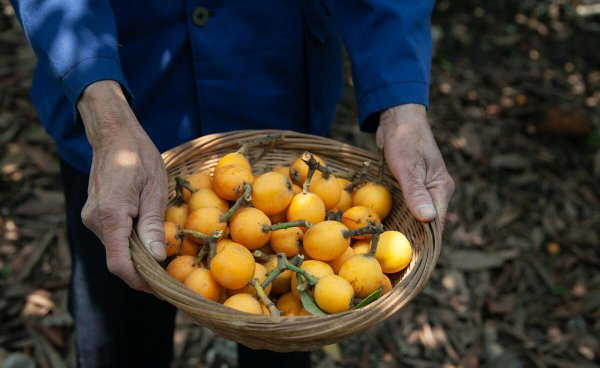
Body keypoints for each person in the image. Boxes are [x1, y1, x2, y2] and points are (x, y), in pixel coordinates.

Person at [10, 0, 454, 367]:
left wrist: (402, 105)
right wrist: (104, 116)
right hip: (123, 91)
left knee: (283, 339)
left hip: (271, 79)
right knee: (118, 336)